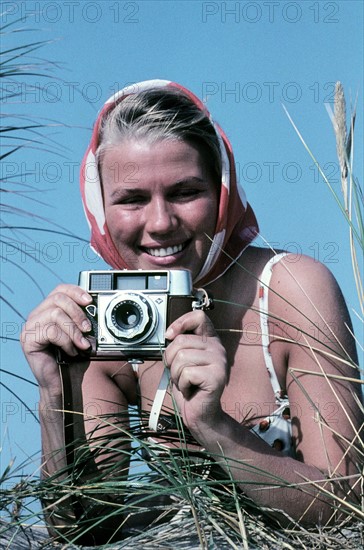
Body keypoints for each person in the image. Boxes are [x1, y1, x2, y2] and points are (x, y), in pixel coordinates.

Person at [21, 79, 362, 543]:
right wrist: (51, 393)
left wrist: (213, 425)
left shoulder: (289, 290)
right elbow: (82, 530)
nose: (160, 224)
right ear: (100, 206)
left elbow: (345, 504)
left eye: (184, 192)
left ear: (221, 193)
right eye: (132, 199)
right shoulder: (104, 329)